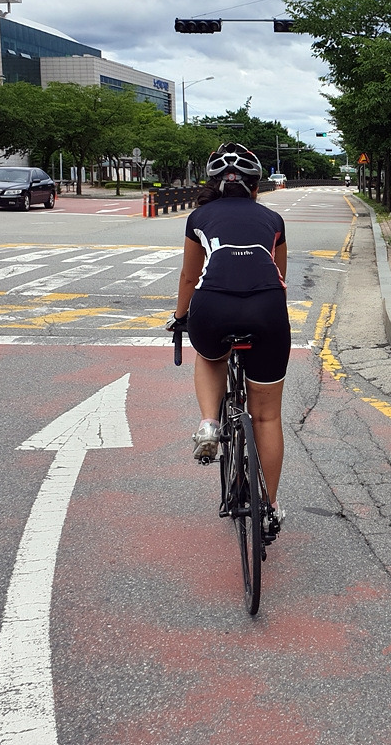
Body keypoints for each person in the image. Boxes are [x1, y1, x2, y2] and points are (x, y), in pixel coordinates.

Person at [167, 144, 290, 524]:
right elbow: (280, 278)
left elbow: (190, 277)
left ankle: (209, 423)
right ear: (256, 186)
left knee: (210, 356)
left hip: (213, 307)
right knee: (266, 418)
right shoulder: (273, 219)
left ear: (214, 184)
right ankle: (269, 507)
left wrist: (180, 318)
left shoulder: (199, 217)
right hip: (267, 310)